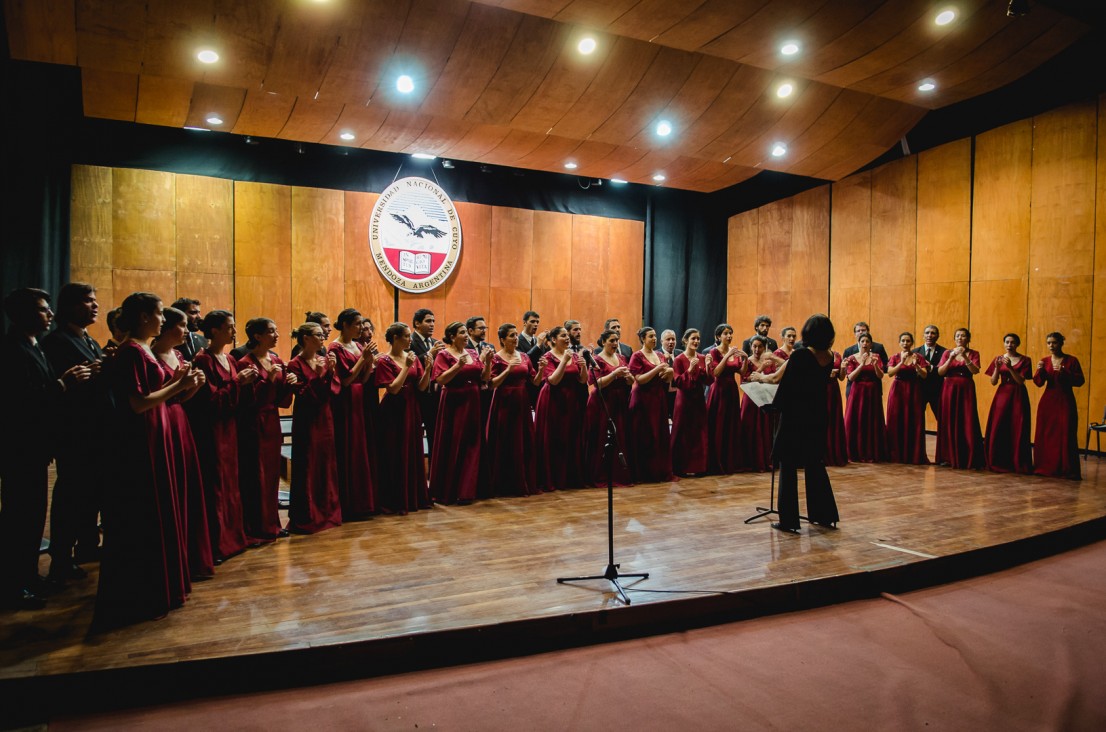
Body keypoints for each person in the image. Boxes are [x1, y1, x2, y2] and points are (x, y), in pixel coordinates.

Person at [92, 292, 197, 630]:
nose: (162, 320)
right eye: (157, 313)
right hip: (143, 436)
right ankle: (146, 591)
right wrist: (177, 383)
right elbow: (138, 404)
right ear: (141, 318)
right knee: (148, 510)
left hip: (157, 429)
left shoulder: (140, 349)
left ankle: (164, 585)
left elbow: (158, 395)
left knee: (160, 508)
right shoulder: (132, 351)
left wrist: (184, 385)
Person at [0, 288, 89, 609]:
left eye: (49, 308)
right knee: (19, 518)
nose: (49, 314)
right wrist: (64, 384)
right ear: (21, 315)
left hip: (36, 448)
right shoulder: (12, 349)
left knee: (34, 516)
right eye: (41, 309)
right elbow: (21, 403)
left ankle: (26, 577)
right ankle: (12, 586)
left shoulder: (33, 345)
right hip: (20, 449)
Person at [40, 282, 109, 581]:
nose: (94, 306)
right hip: (75, 434)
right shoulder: (56, 342)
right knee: (71, 497)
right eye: (87, 301)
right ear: (69, 306)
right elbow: (52, 389)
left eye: (94, 301)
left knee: (90, 495)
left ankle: (85, 546)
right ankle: (61, 557)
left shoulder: (90, 341)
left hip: (95, 434)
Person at [186, 310, 258, 562]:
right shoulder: (203, 360)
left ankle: (234, 538)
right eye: (229, 327)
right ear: (214, 330)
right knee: (215, 484)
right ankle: (217, 543)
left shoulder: (228, 358)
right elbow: (209, 400)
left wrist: (249, 383)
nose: (234, 331)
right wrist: (239, 382)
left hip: (230, 428)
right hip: (212, 429)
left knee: (231, 482)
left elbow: (239, 396)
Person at [151, 307, 215, 581]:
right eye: (182, 326)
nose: (188, 332)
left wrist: (194, 387)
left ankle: (190, 554)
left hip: (179, 418)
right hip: (161, 421)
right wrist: (181, 386)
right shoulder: (150, 355)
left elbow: (180, 398)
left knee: (186, 486)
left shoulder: (178, 355)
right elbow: (155, 397)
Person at [770, 314, 840, 534]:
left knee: (788, 466)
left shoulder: (801, 355)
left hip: (795, 417)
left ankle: (789, 520)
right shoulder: (829, 356)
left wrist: (774, 405)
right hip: (817, 416)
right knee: (815, 464)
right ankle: (823, 515)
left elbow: (788, 387)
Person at [236, 317, 296, 541]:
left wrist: (288, 383)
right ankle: (255, 526)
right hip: (253, 422)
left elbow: (282, 401)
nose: (277, 334)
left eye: (276, 330)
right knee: (256, 475)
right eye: (271, 331)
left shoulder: (276, 359)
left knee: (271, 475)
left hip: (272, 421)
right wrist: (269, 380)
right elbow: (246, 402)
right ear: (257, 336)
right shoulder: (245, 363)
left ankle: (272, 523)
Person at [286, 322, 342, 533]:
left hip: (325, 417)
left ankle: (328, 511)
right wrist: (320, 376)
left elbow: (334, 390)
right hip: (307, 419)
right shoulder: (294, 364)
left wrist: (329, 371)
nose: (323, 339)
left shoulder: (323, 360)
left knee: (325, 463)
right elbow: (303, 396)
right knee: (308, 463)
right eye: (318, 335)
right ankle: (308, 514)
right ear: (306, 338)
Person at [430, 322, 492, 504]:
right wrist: (457, 366)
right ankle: (450, 489)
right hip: (454, 403)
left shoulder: (472, 353)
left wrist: (487, 362)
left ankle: (468, 490)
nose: (466, 336)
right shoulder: (444, 354)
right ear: (452, 336)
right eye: (462, 333)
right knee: (454, 443)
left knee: (472, 444)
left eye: (466, 332)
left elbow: (484, 378)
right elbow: (441, 379)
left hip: (473, 401)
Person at [375, 322, 433, 514]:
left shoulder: (412, 358)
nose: (410, 339)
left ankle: (413, 496)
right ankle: (394, 499)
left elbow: (422, 387)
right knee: (394, 453)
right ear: (395, 339)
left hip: (411, 407)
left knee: (412, 452)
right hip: (393, 410)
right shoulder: (385, 360)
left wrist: (427, 370)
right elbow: (392, 389)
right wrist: (406, 367)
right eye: (406, 336)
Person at [328, 308, 377, 519]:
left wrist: (369, 364)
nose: (361, 328)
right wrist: (362, 360)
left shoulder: (358, 345)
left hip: (360, 398)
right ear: (346, 325)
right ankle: (349, 504)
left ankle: (364, 501)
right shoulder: (334, 347)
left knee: (361, 448)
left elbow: (363, 380)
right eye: (357, 324)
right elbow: (345, 381)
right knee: (348, 448)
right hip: (345, 402)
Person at [534, 325, 589, 491]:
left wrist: (584, 367)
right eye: (563, 336)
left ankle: (570, 478)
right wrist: (564, 361)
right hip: (553, 400)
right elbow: (553, 380)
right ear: (553, 340)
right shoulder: (548, 356)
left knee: (570, 437)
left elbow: (581, 380)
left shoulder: (571, 354)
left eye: (567, 336)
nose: (567, 338)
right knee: (555, 438)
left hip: (571, 400)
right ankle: (554, 478)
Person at [486, 323, 539, 496]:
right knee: (505, 440)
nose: (516, 338)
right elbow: (492, 383)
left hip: (522, 401)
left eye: (516, 335)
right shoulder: (497, 357)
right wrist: (508, 370)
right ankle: (504, 484)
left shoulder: (524, 356)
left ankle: (523, 482)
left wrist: (543, 369)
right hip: (504, 401)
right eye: (511, 335)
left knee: (524, 440)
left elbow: (535, 381)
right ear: (502, 339)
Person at [585, 328, 635, 487]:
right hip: (602, 402)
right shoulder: (597, 359)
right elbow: (595, 383)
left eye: (617, 340)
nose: (615, 343)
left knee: (619, 437)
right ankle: (599, 474)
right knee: (600, 438)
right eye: (612, 340)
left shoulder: (621, 357)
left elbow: (631, 381)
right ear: (604, 342)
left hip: (619, 402)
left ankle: (619, 474)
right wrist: (614, 374)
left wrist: (628, 377)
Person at [1032, 332, 1084, 480]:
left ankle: (1066, 468)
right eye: (1049, 343)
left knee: (1066, 432)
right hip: (1048, 401)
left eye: (1054, 342)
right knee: (1046, 433)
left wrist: (1065, 372)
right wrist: (1040, 371)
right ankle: (1045, 467)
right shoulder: (1044, 361)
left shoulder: (1072, 360)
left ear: (1061, 343)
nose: (1051, 346)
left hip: (1065, 399)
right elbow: (1038, 383)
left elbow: (1080, 381)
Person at [628, 326, 675, 483]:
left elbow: (666, 379)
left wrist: (669, 373)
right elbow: (639, 379)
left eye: (655, 336)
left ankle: (659, 471)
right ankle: (644, 473)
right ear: (643, 339)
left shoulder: (660, 355)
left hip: (658, 398)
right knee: (645, 435)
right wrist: (657, 370)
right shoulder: (637, 355)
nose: (654, 339)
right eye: (650, 336)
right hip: (643, 399)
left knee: (659, 435)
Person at [983, 333, 1033, 474]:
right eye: (1007, 342)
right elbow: (993, 382)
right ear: (1004, 344)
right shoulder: (998, 359)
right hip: (1002, 394)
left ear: (1017, 344)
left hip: (1018, 394)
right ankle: (997, 460)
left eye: (1012, 342)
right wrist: (998, 368)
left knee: (1017, 426)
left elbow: (1021, 381)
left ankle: (1017, 461)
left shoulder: (1025, 360)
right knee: (999, 425)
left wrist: (1010, 368)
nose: (1009, 345)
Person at [935, 327, 984, 469]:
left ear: (968, 339)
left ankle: (968, 456)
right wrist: (950, 358)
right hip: (949, 388)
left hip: (966, 388)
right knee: (948, 419)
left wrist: (966, 357)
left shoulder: (974, 353)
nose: (960, 338)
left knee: (967, 418)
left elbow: (975, 370)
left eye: (963, 336)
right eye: (957, 336)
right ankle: (947, 456)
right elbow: (940, 372)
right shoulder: (946, 353)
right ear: (954, 338)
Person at [671, 328, 713, 476]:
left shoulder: (702, 357)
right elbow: (677, 382)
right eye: (693, 338)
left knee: (699, 432)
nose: (696, 341)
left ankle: (699, 467)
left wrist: (708, 366)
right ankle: (681, 467)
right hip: (684, 399)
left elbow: (708, 381)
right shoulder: (679, 359)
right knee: (683, 432)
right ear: (685, 340)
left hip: (698, 399)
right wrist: (689, 370)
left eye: (698, 339)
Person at [740, 336, 785, 472]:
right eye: (754, 346)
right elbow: (745, 379)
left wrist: (773, 358)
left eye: (759, 346)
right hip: (751, 398)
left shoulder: (769, 361)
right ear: (750, 346)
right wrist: (760, 368)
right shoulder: (747, 360)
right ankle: (751, 462)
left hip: (765, 397)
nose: (756, 349)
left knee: (765, 429)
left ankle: (766, 461)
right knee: (751, 429)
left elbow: (783, 368)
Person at [706, 323, 746, 474]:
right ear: (718, 336)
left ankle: (731, 462)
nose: (729, 336)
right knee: (719, 424)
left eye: (730, 333)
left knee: (731, 424)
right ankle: (718, 462)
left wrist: (745, 359)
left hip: (732, 391)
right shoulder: (714, 352)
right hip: (719, 390)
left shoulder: (733, 351)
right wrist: (728, 356)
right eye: (726, 333)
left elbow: (741, 372)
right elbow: (716, 372)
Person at [885, 332, 929, 464]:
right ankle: (896, 454)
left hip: (914, 389)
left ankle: (913, 454)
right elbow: (890, 373)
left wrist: (916, 366)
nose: (905, 343)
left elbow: (924, 375)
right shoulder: (895, 357)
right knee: (896, 419)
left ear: (912, 343)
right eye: (903, 341)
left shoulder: (919, 357)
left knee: (913, 420)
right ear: (899, 343)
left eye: (908, 341)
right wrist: (901, 363)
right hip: (898, 389)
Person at [843, 333, 887, 462]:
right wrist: (861, 364)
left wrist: (874, 365)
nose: (865, 344)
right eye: (863, 341)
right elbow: (850, 377)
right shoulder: (852, 358)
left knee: (871, 420)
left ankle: (872, 451)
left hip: (872, 392)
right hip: (857, 392)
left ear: (871, 344)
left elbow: (880, 375)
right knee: (856, 420)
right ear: (859, 342)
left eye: (867, 341)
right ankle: (855, 452)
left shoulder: (876, 357)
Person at [410, 308, 443, 456]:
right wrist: (431, 353)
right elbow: (410, 362)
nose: (432, 325)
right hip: (415, 395)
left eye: (433, 321)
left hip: (434, 396)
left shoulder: (436, 343)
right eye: (428, 321)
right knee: (415, 436)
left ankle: (433, 472)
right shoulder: (408, 340)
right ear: (417, 323)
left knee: (434, 435)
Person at [913, 325, 946, 425]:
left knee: (942, 419)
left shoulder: (944, 352)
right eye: (927, 333)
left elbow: (944, 370)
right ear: (923, 336)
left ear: (937, 336)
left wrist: (930, 367)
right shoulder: (915, 352)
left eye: (933, 333)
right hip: (919, 389)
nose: (929, 335)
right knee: (916, 418)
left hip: (937, 390)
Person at [825, 347, 848, 467]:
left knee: (834, 420)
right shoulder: (814, 354)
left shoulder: (837, 354)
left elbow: (842, 377)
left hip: (834, 389)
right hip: (821, 388)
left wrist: (843, 369)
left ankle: (835, 454)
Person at [659, 328, 678, 416]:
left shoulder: (681, 354)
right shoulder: (656, 354)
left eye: (673, 339)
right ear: (661, 341)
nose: (671, 342)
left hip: (677, 393)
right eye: (668, 339)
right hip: (662, 393)